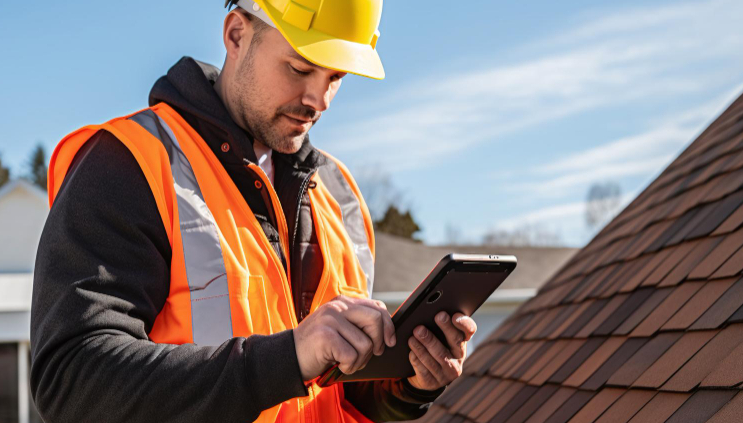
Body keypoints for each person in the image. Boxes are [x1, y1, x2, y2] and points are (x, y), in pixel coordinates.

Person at [30, 1, 477, 422]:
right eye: (300, 68)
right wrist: (287, 359)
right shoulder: (131, 162)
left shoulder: (339, 193)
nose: (318, 101)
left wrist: (406, 386)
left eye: (335, 78)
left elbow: (334, 397)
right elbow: (71, 382)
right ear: (237, 34)